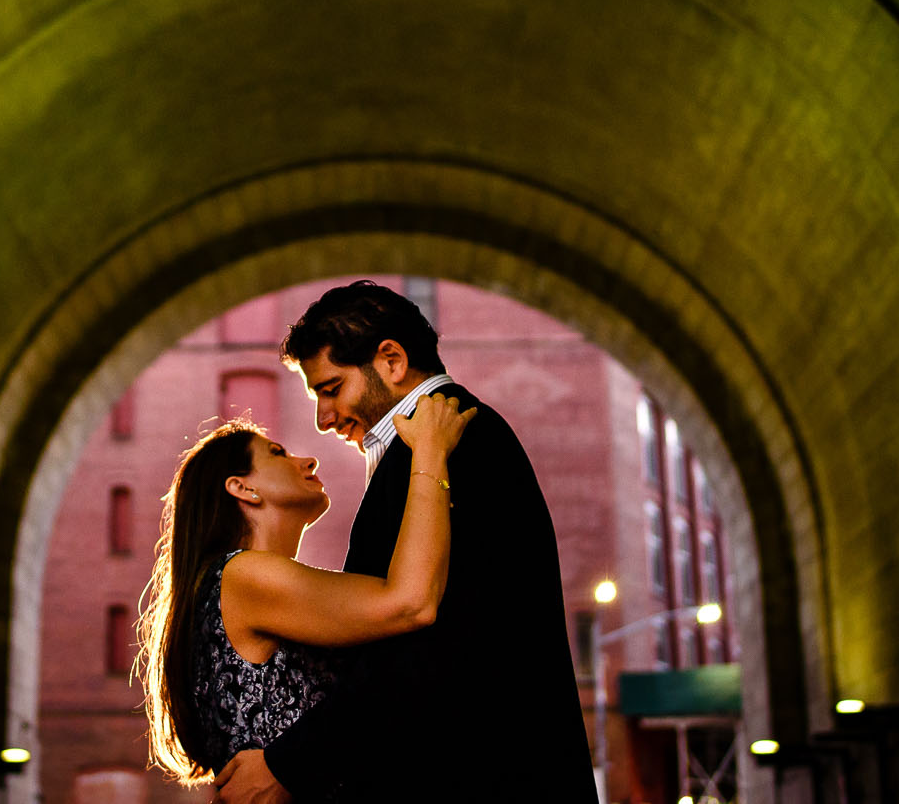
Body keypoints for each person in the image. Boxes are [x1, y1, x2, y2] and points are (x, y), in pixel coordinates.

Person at [216, 280, 598, 804]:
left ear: (391, 360)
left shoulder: (452, 444)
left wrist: (291, 763)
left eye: (331, 389)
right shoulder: (433, 447)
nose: (323, 421)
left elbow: (424, 645)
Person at [135, 391, 475, 784]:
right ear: (242, 489)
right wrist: (431, 451)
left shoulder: (234, 584)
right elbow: (411, 603)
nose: (308, 460)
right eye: (278, 454)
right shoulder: (244, 576)